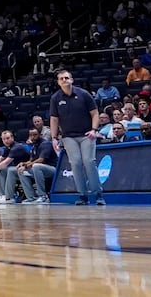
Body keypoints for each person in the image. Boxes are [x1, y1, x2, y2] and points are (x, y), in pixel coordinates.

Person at [49, 68, 104, 205]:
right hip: (68, 137)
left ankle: (98, 194)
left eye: (66, 78)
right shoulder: (55, 98)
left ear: (71, 80)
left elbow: (95, 113)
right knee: (76, 163)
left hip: (87, 134)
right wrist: (54, 137)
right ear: (58, 82)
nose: (64, 80)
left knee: (89, 162)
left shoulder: (83, 94)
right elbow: (54, 119)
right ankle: (82, 195)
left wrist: (94, 129)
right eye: (61, 79)